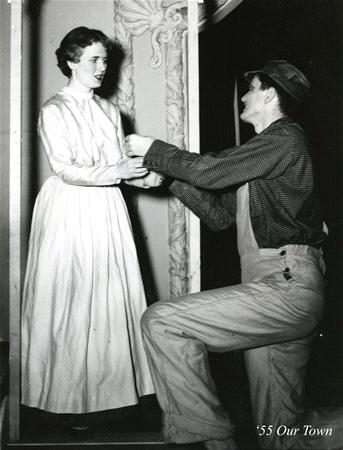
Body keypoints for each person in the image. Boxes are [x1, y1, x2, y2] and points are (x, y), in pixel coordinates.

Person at [125, 60, 343, 449]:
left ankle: (213, 438)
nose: (244, 96)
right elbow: (220, 217)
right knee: (279, 434)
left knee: (162, 321)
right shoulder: (264, 155)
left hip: (285, 283)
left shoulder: (285, 138)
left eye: (251, 88)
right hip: (277, 285)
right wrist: (172, 177)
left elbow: (210, 172)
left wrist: (153, 151)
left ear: (270, 95)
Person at [21, 27, 162, 420]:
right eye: (93, 60)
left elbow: (120, 163)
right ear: (70, 62)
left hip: (106, 207)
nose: (102, 68)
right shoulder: (54, 109)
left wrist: (149, 176)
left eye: (105, 60)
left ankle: (109, 399)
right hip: (69, 209)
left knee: (107, 296)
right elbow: (65, 168)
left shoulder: (110, 110)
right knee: (71, 297)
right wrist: (118, 170)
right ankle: (63, 399)